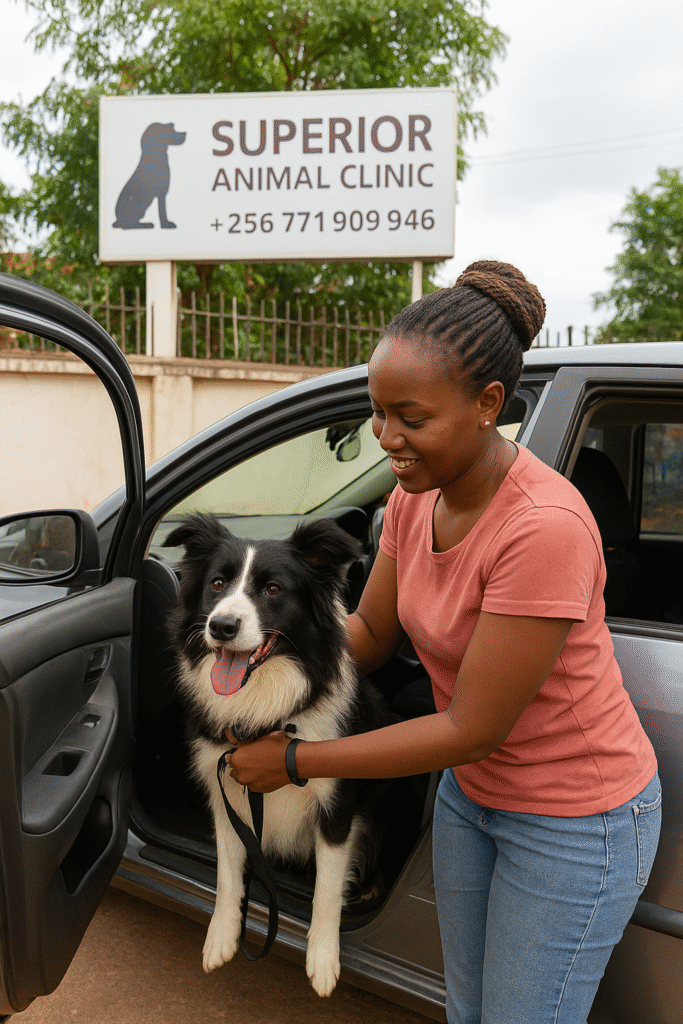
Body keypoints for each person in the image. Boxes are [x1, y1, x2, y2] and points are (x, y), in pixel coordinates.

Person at [228, 260, 661, 1024]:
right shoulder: (408, 498)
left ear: (488, 403)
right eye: (377, 412)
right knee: (466, 1011)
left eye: (411, 417)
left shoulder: (542, 529)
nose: (386, 437)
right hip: (474, 798)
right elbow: (365, 635)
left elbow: (470, 728)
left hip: (573, 820)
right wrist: (259, 660)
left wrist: (294, 759)